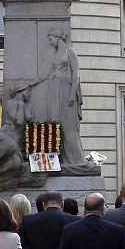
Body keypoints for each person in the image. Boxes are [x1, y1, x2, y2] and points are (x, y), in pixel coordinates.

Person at [46, 29, 87, 171]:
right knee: (57, 124)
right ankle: (62, 159)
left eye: (51, 39)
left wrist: (71, 94)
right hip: (55, 90)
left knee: (69, 126)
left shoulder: (70, 52)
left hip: (66, 90)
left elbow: (76, 74)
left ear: (58, 37)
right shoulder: (55, 53)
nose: (50, 42)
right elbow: (51, 73)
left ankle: (76, 160)